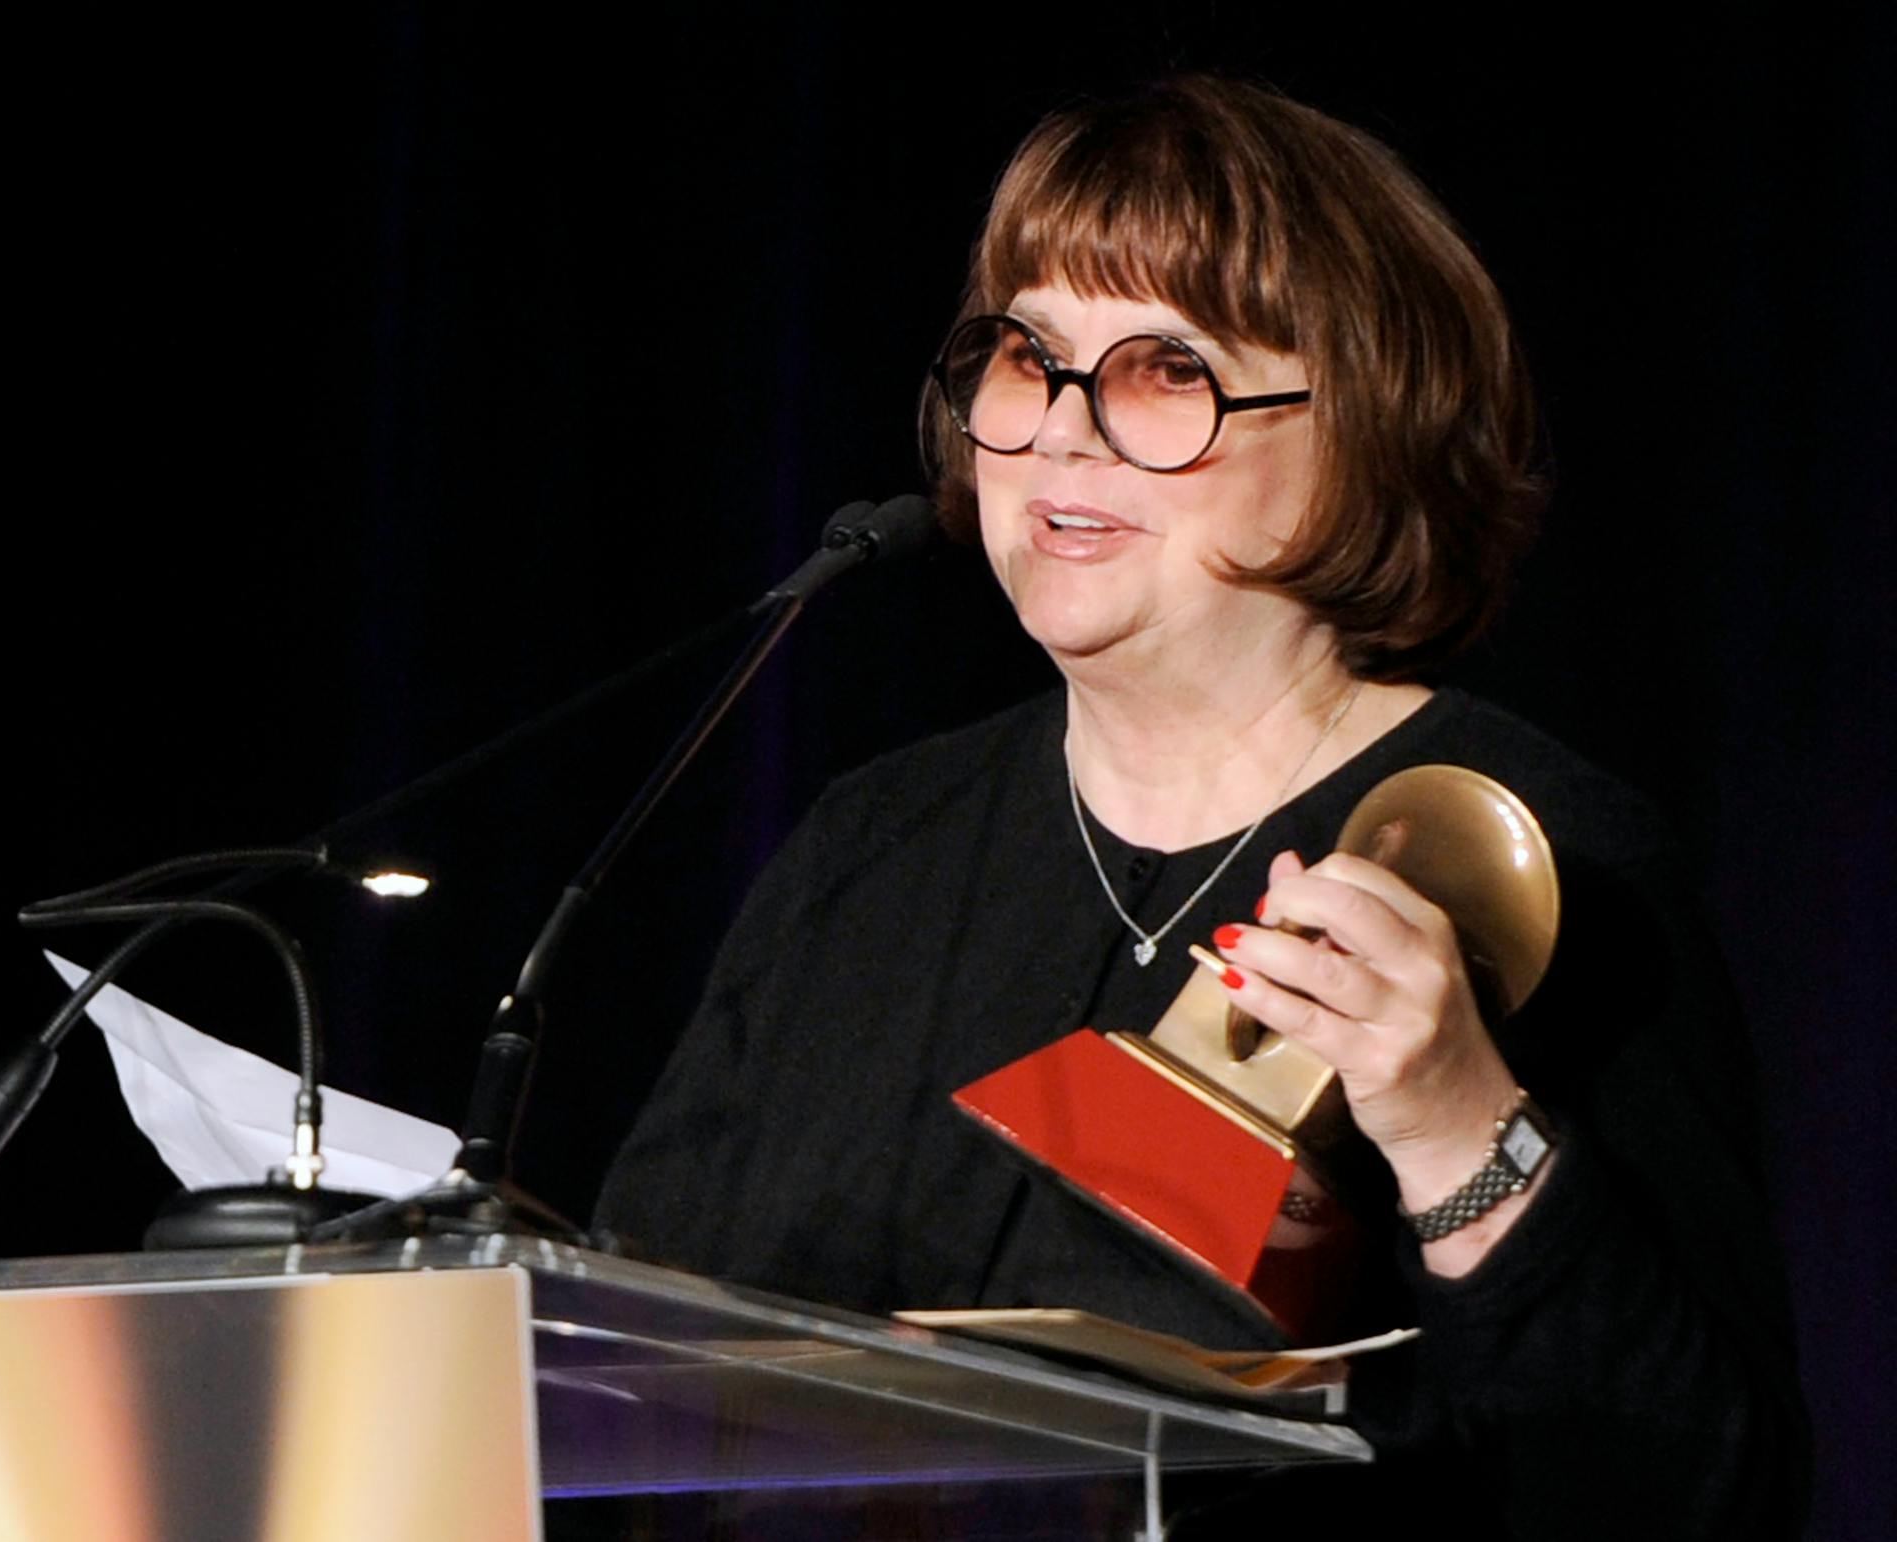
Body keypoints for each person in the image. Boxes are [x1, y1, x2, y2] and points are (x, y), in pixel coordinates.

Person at [595, 77, 1807, 1537]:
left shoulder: (1542, 856)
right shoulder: (871, 846)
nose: (1061, 428)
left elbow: (1692, 1493)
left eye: (1167, 365)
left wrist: (1456, 1128)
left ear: (1364, 425)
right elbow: (617, 1389)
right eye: (1028, 353)